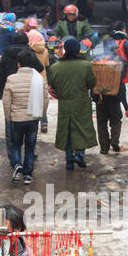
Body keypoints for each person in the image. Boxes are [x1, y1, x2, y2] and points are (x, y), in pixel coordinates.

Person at [48, 37, 97, 170]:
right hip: (81, 102)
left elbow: (52, 85)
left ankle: (69, 159)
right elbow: (92, 83)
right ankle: (79, 154)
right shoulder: (86, 65)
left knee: (67, 131)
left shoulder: (55, 67)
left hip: (64, 104)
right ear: (78, 50)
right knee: (81, 128)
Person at [0, 48, 44, 185]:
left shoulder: (11, 79)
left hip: (17, 119)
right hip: (32, 119)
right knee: (30, 147)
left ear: (18, 64)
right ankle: (27, 175)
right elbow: (46, 99)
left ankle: (17, 166)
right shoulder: (39, 79)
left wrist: (9, 116)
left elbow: (6, 100)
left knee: (15, 144)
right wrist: (40, 114)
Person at [94, 34, 128, 154]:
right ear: (115, 48)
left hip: (100, 96)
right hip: (115, 95)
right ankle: (114, 141)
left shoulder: (96, 60)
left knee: (101, 122)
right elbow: (123, 76)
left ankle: (104, 148)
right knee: (116, 119)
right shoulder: (120, 61)